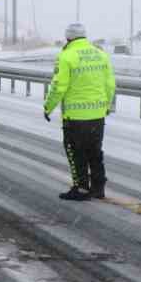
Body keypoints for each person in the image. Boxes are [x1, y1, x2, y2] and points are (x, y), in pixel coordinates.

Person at [43, 22, 116, 200]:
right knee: (95, 152)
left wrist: (48, 107)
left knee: (76, 153)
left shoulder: (66, 56)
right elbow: (110, 84)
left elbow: (59, 86)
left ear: (68, 37)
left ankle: (81, 188)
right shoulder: (100, 54)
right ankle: (98, 188)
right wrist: (107, 106)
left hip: (75, 117)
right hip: (97, 115)